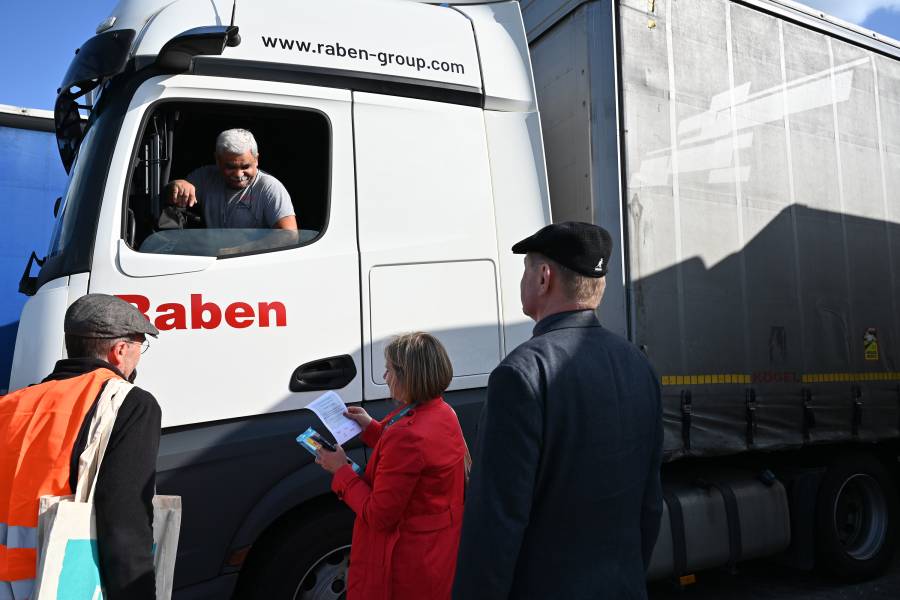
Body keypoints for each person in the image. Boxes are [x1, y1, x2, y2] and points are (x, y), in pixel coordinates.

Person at [453, 222, 663, 600]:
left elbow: (495, 523)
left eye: (526, 269)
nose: (523, 280)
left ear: (544, 277)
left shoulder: (521, 373)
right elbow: (649, 506)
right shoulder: (639, 366)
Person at [0, 294, 162, 600]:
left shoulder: (9, 405)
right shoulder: (127, 403)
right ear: (120, 350)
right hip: (66, 583)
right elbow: (125, 522)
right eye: (142, 345)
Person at [314, 332, 467, 600]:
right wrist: (370, 427)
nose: (385, 378)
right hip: (434, 553)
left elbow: (379, 515)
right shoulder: (441, 411)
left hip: (403, 566)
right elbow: (413, 460)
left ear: (407, 375)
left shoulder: (408, 434)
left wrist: (340, 470)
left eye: (388, 370)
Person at [166, 128, 298, 230]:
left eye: (245, 166)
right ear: (217, 160)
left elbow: (289, 235)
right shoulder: (205, 177)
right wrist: (177, 185)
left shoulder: (270, 187)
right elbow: (170, 198)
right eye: (230, 167)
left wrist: (240, 251)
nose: (239, 174)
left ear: (256, 159)